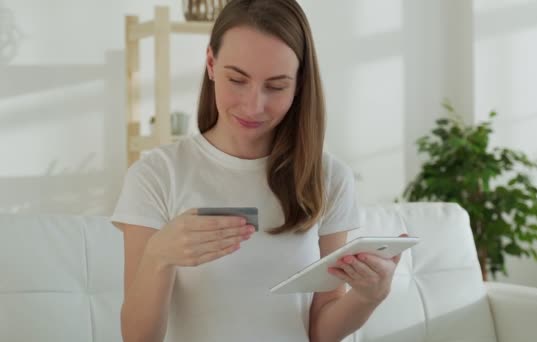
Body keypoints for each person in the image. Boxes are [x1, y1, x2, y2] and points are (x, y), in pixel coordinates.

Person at [111, 0, 404, 341]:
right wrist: (159, 256)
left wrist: (370, 296)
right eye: (237, 80)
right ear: (210, 63)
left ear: (299, 83)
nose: (254, 105)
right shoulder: (157, 175)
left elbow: (320, 331)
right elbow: (137, 337)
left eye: (276, 86)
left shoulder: (327, 178)